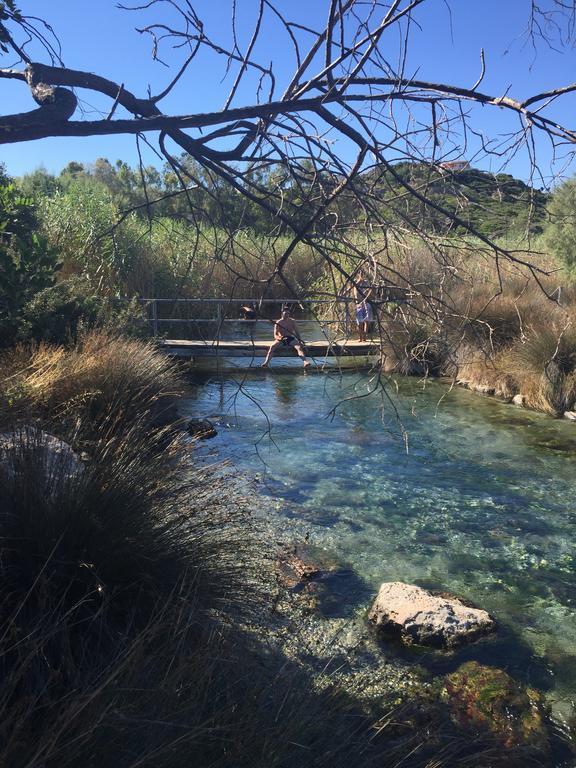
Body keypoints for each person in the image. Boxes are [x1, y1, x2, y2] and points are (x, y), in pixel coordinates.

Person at [354, 271, 374, 342]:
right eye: (360, 274)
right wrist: (359, 282)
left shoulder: (366, 282)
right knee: (359, 322)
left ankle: (364, 337)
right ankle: (360, 337)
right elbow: (354, 289)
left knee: (366, 321)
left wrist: (366, 298)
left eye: (362, 274)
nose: (361, 275)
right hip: (359, 304)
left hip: (366, 303)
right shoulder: (355, 282)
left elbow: (370, 290)